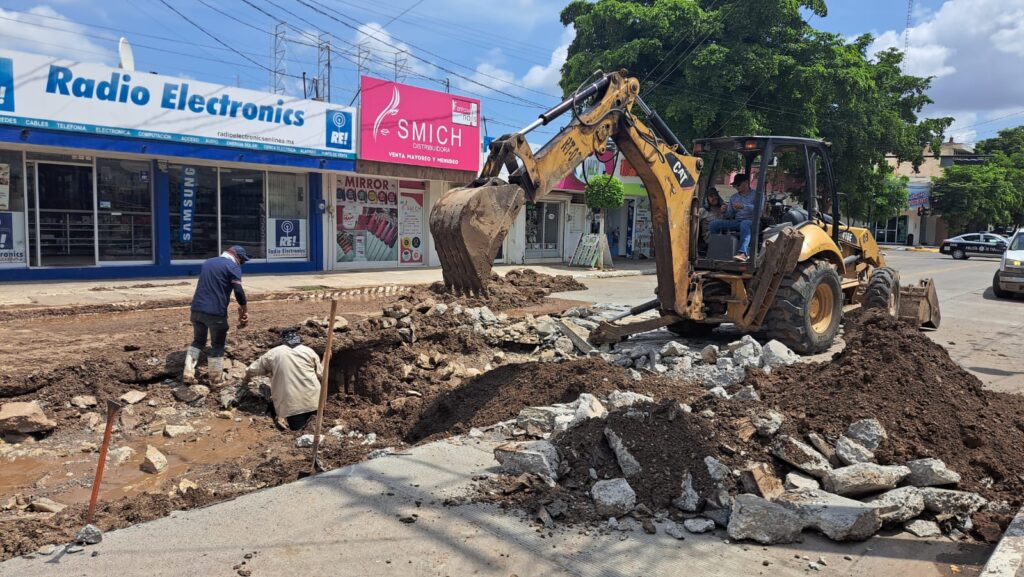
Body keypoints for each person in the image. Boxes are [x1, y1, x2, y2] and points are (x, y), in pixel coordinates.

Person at [182, 245, 251, 385]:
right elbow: (238, 291)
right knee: (218, 345)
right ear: (237, 257)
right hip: (216, 312)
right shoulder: (232, 267)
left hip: (196, 310)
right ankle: (215, 378)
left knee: (198, 341)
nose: (241, 264)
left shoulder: (208, 262)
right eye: (242, 261)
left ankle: (188, 372)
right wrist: (245, 309)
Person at [243, 329, 323, 431]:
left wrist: (246, 379)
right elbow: (321, 375)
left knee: (298, 432)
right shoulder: (309, 351)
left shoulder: (273, 353)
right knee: (317, 429)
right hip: (314, 400)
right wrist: (326, 360)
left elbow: (252, 370)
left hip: (292, 404)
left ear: (283, 339)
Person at [710, 173, 757, 261]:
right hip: (737, 222)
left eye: (738, 185)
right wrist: (724, 211)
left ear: (746, 182)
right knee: (714, 224)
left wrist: (743, 206)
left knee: (745, 223)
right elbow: (730, 215)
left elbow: (759, 209)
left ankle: (743, 253)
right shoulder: (734, 197)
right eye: (735, 185)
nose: (736, 187)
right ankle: (719, 249)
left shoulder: (756, 195)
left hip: (752, 221)